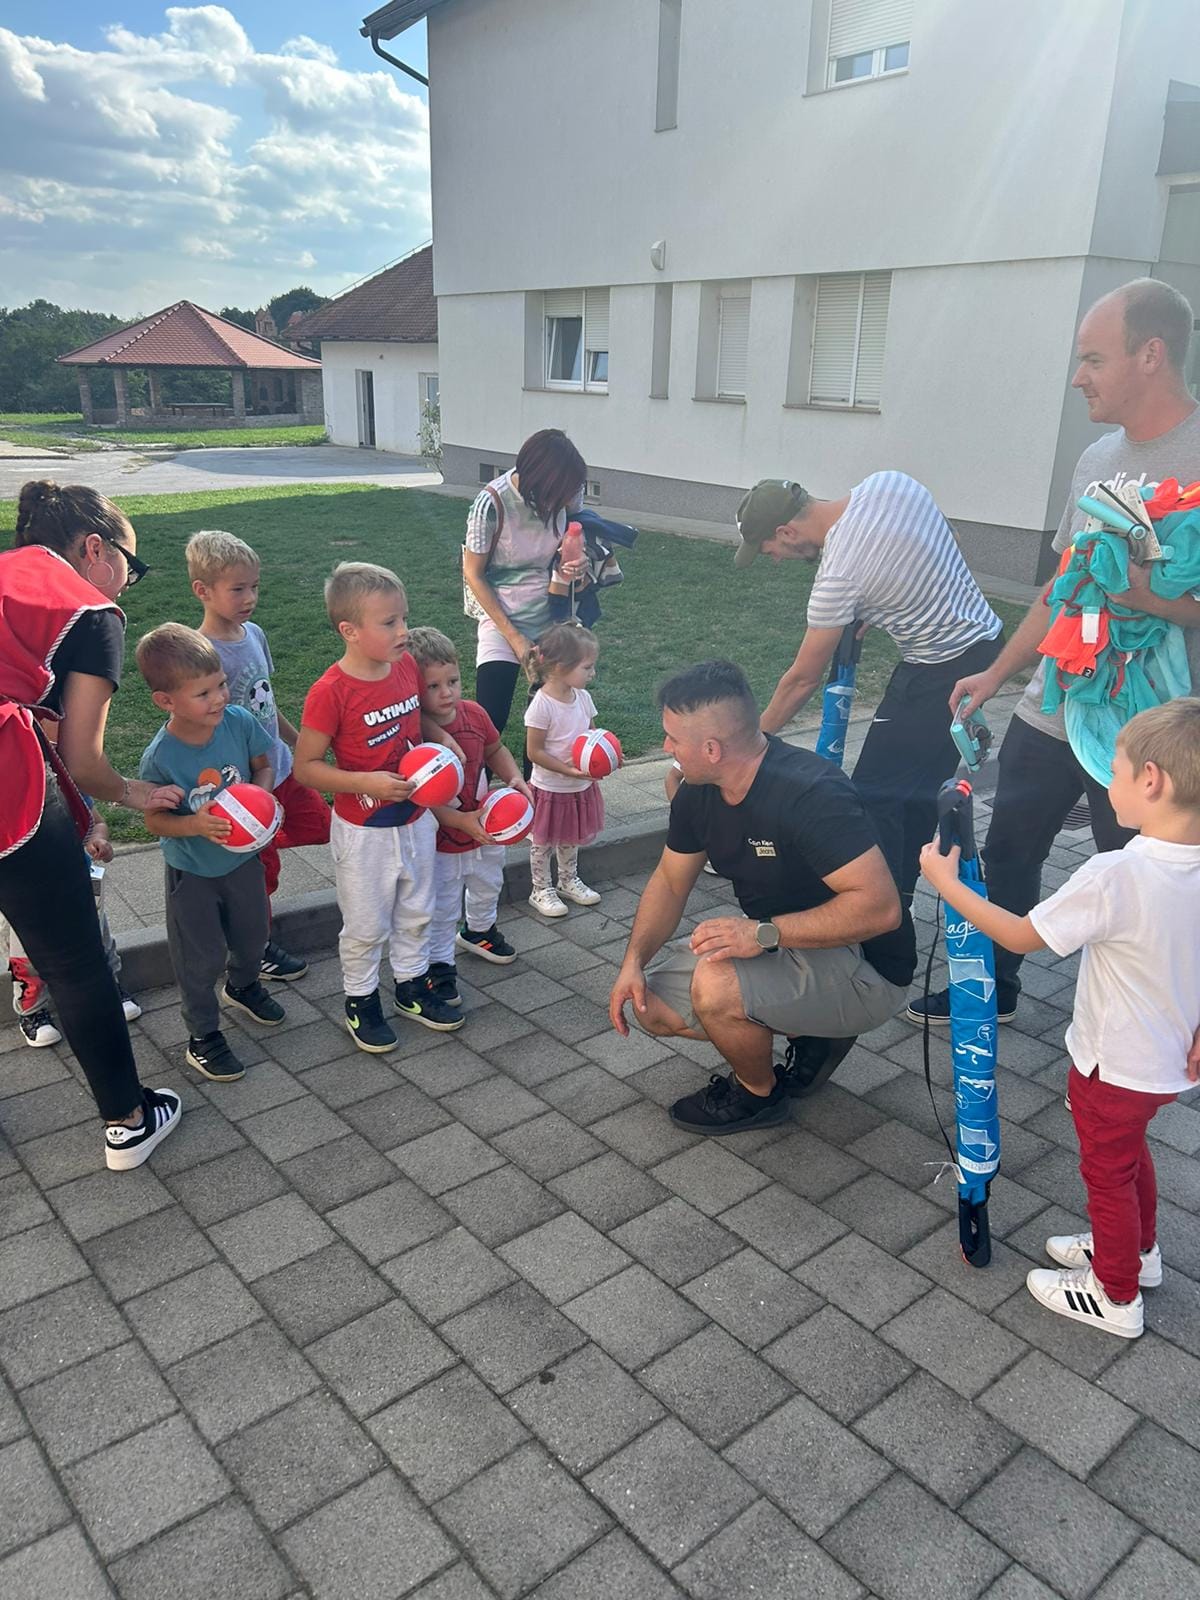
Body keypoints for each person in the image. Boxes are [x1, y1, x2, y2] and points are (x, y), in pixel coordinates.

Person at [911, 278, 1200, 1028]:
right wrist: (996, 675)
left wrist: (1146, 595)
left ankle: (1143, 1023)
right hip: (1054, 703)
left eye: (1093, 359)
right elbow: (1060, 587)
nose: (1078, 378)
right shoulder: (1095, 458)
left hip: (1150, 726)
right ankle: (996, 988)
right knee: (1010, 845)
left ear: (1150, 354)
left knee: (1138, 873)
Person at [920, 699, 1200, 1339]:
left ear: (1151, 780)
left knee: (1107, 1173)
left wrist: (946, 882)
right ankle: (1138, 1252)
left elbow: (1020, 936)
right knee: (1128, 1158)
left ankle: (1116, 1294)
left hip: (1113, 1063)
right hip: (1163, 1062)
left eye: (1113, 770)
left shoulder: (1117, 873)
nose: (1106, 782)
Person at [608, 661, 911, 1135]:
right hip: (786, 944)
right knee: (651, 1006)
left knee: (716, 987)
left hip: (868, 968)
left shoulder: (810, 794)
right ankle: (814, 1032)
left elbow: (881, 908)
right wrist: (633, 962)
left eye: (672, 738)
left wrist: (763, 934)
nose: (666, 748)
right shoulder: (698, 792)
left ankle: (758, 1095)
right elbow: (669, 881)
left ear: (712, 749)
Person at [734, 471, 1003, 965]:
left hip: (939, 671)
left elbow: (802, 679)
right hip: (984, 643)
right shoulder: (891, 483)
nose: (773, 558)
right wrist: (882, 600)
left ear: (787, 532)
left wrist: (755, 739)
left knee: (873, 797)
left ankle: (882, 930)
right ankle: (902, 900)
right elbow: (946, 537)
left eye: (769, 548)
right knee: (916, 793)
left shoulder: (838, 576)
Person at [0, 480, 181, 1171]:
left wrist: (83, 809)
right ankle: (128, 1121)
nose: (127, 586)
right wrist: (134, 794)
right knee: (74, 962)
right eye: (131, 568)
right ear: (95, 549)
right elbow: (84, 757)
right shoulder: (87, 607)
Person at [293, 562, 464, 1053]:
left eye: (403, 618)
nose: (403, 631)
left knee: (417, 910)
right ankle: (361, 999)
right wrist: (364, 781)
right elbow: (306, 767)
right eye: (389, 622)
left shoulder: (405, 666)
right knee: (367, 924)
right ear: (350, 631)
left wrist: (441, 739)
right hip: (365, 829)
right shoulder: (330, 692)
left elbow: (416, 720)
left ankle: (411, 986)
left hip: (415, 818)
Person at [137, 623, 286, 1083]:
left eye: (220, 684)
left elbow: (262, 766)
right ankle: (202, 1035)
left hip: (243, 862)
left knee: (253, 935)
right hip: (194, 873)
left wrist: (261, 799)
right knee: (199, 958)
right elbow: (155, 821)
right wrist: (195, 825)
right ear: (166, 701)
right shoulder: (161, 757)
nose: (219, 698)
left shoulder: (238, 722)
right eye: (203, 693)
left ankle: (243, 986)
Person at [188, 528, 328, 982]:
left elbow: (264, 699)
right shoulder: (202, 654)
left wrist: (296, 740)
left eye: (254, 586)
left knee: (320, 824)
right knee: (261, 873)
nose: (249, 598)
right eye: (237, 589)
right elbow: (201, 727)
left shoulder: (255, 634)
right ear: (203, 591)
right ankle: (256, 946)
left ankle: (246, 855)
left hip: (282, 768)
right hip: (246, 788)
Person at [408, 626, 532, 1006]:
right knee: (443, 903)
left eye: (453, 681)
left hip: (486, 824)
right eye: (433, 686)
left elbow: (495, 749)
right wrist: (460, 821)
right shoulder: (413, 734)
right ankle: (439, 964)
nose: (447, 692)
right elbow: (420, 798)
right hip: (443, 839)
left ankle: (479, 929)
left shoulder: (475, 714)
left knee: (488, 882)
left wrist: (514, 777)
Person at [462, 428, 590, 738]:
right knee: (491, 720)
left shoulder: (566, 492)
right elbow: (473, 573)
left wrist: (579, 563)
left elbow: (577, 530)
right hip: (501, 616)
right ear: (540, 482)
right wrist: (515, 638)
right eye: (561, 494)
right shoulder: (491, 503)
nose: (567, 500)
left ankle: (538, 773)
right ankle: (480, 772)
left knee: (552, 719)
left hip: (552, 615)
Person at [8, 800, 140, 1048]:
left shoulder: (65, 786)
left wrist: (99, 840)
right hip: (22, 892)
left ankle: (109, 989)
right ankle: (32, 1010)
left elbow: (96, 822)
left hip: (76, 881)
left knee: (97, 939)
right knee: (25, 953)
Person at [524, 623, 608, 917]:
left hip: (579, 785)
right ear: (560, 667)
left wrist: (608, 755)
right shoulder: (542, 705)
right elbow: (534, 752)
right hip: (550, 788)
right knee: (543, 842)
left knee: (571, 837)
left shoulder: (583, 698)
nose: (592, 673)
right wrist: (567, 771)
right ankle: (540, 888)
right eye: (587, 667)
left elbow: (593, 737)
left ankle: (568, 880)